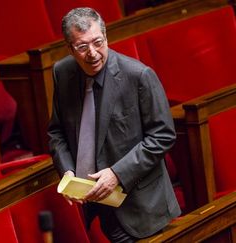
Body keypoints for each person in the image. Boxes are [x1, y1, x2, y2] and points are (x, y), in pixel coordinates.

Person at [48, 7, 180, 242]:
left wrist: (117, 174)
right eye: (82, 47)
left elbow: (163, 135)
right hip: (92, 201)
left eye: (98, 42)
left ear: (106, 37)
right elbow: (57, 131)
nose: (92, 53)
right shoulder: (62, 72)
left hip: (139, 205)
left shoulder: (138, 76)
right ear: (70, 48)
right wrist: (67, 172)